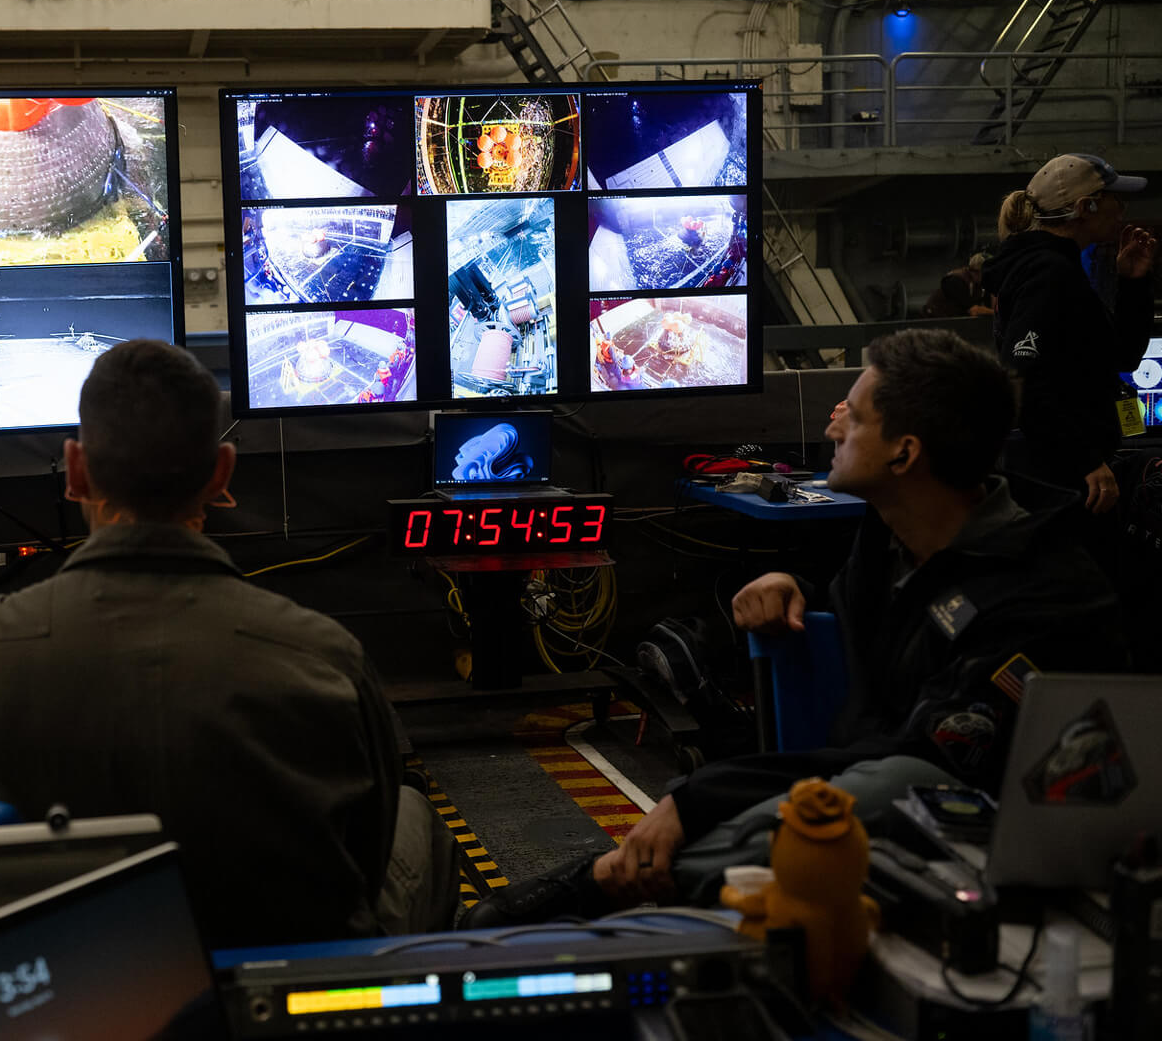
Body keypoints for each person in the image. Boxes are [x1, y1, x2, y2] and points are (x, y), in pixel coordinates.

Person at [464, 329, 1127, 926]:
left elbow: (919, 766)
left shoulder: (1046, 599)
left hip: (978, 842)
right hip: (868, 787)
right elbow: (906, 614)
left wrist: (700, 797)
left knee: (762, 836)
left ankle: (608, 890)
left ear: (904, 455)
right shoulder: (893, 536)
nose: (835, 422)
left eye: (856, 414)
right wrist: (801, 587)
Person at [0, 340, 457, 948]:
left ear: (76, 471)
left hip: (68, 985)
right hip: (281, 990)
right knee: (416, 818)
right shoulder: (327, 659)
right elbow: (362, 863)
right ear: (222, 473)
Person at [981, 153, 1158, 514]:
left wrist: (1133, 285)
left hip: (1065, 464)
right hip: (1058, 475)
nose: (1122, 209)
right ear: (1086, 206)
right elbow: (1021, 379)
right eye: (1114, 199)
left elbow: (1120, 356)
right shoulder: (1048, 273)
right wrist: (1085, 460)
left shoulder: (1059, 268)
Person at [921, 253, 993, 319]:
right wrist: (997, 313)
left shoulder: (978, 283)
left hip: (948, 321)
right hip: (934, 320)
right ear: (977, 272)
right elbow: (974, 310)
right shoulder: (955, 281)